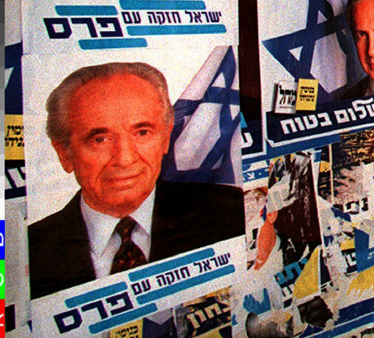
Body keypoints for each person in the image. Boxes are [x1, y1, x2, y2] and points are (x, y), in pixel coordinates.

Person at [28, 62, 244, 299]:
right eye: (100, 139)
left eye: (142, 133)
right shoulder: (26, 253)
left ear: (165, 137)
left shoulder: (231, 214)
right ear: (64, 154)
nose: (124, 159)